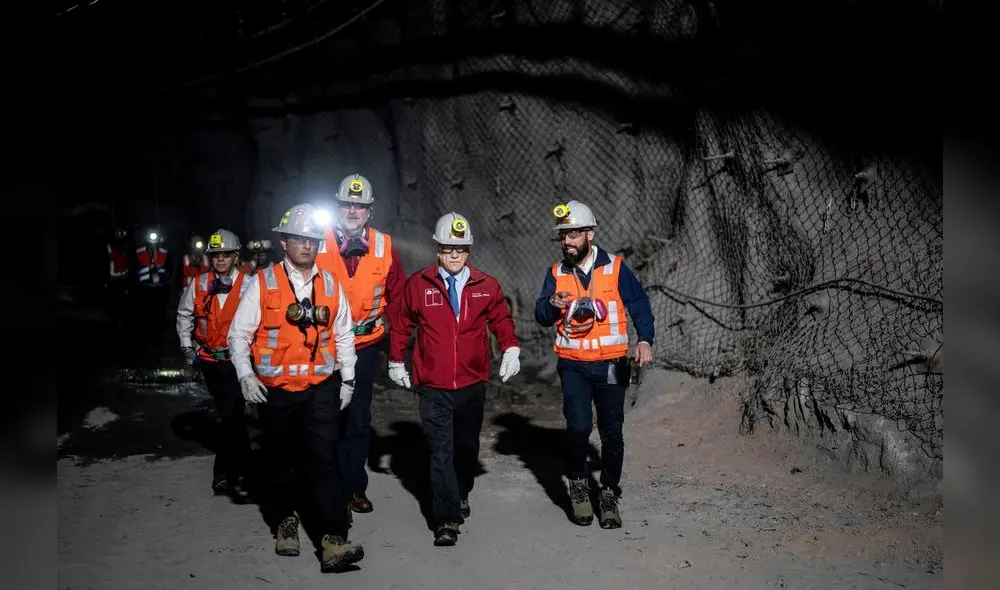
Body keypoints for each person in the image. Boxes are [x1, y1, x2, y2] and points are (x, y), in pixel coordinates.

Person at [227, 203, 364, 572]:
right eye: (299, 239)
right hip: (277, 392)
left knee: (325, 461)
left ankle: (333, 541)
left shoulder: (331, 284)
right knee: (281, 461)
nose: (307, 245)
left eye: (312, 240)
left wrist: (349, 379)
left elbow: (344, 335)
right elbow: (238, 335)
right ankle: (285, 523)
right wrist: (246, 375)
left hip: (321, 388)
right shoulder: (263, 283)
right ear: (284, 243)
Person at [387, 212, 521, 547]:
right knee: (441, 452)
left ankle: (461, 490)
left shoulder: (486, 286)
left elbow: (501, 319)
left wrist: (511, 348)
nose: (455, 255)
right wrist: (396, 361)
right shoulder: (419, 285)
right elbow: (401, 323)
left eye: (460, 248)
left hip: (472, 384)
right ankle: (446, 519)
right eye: (448, 248)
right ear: (438, 249)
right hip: (433, 386)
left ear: (468, 250)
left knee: (466, 446)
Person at [533, 200, 655, 530]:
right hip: (573, 365)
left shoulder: (615, 268)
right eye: (563, 235)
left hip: (613, 363)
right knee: (578, 427)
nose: (566, 241)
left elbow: (639, 304)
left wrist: (645, 339)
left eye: (573, 234)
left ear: (590, 234)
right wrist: (552, 303)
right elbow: (541, 315)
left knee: (612, 431)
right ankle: (578, 483)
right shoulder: (556, 273)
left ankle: (609, 493)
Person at [316, 173, 406, 516]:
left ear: (370, 211)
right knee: (323, 417)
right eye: (346, 204)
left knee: (357, 417)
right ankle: (326, 488)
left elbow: (399, 302)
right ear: (337, 207)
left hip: (365, 346)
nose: (353, 211)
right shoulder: (316, 240)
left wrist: (396, 355)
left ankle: (353, 487)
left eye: (360, 206)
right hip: (323, 345)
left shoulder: (384, 246)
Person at [176, 228, 252, 500]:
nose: (220, 259)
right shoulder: (198, 284)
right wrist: (187, 347)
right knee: (230, 415)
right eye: (216, 255)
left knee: (231, 415)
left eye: (226, 254)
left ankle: (226, 473)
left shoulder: (249, 285)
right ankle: (244, 467)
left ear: (236, 256)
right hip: (209, 362)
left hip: (236, 362)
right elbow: (184, 314)